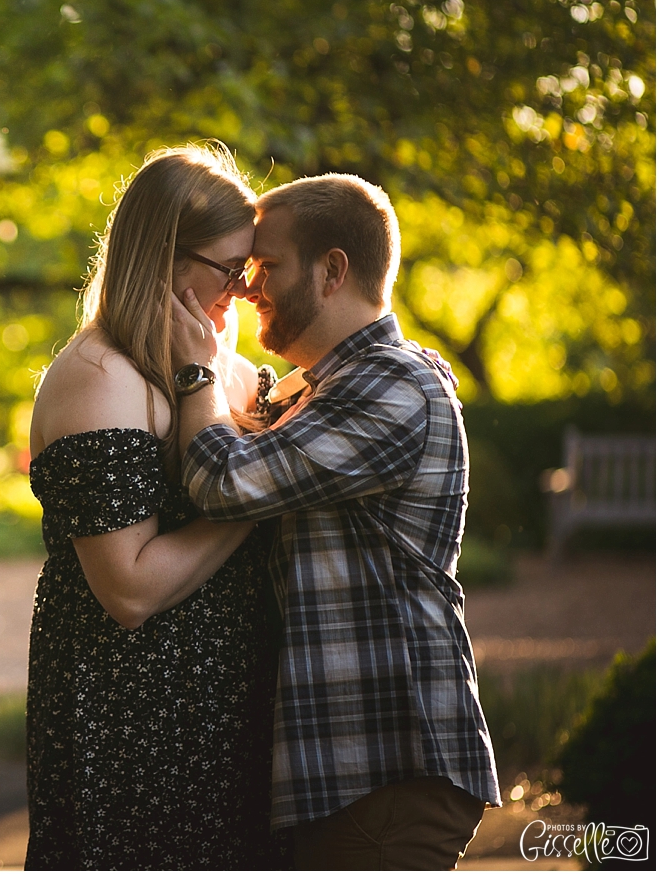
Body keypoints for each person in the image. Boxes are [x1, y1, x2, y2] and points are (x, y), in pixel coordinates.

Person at [169, 173, 501, 870]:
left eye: (268, 265)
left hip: (385, 766)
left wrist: (198, 371)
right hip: (348, 776)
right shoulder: (323, 389)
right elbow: (253, 428)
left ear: (333, 270)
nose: (248, 286)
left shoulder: (392, 384)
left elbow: (222, 480)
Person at [23, 144, 283, 870]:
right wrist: (254, 501)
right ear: (164, 255)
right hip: (131, 720)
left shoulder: (227, 373)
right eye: (228, 269)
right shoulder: (99, 377)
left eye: (251, 270)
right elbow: (128, 590)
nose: (244, 287)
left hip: (234, 710)